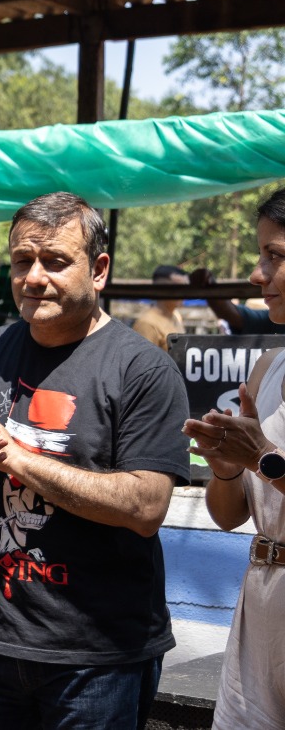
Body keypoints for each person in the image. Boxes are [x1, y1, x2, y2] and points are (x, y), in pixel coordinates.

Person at [0, 192, 189, 730]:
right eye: (22, 261)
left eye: (55, 261)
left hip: (97, 659)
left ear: (99, 270)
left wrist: (14, 457)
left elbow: (145, 505)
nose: (34, 277)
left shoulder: (143, 369)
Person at [184, 188, 285, 729]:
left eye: (276, 256)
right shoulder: (267, 369)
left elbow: (268, 464)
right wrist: (225, 468)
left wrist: (264, 457)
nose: (256, 273)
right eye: (260, 254)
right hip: (261, 603)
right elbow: (229, 516)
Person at [190, 266, 276, 335]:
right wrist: (209, 286)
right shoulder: (273, 321)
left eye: (276, 256)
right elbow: (235, 316)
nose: (255, 276)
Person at [132, 264, 191, 350]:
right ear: (162, 289)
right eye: (178, 288)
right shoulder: (147, 324)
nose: (184, 292)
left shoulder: (176, 315)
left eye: (186, 288)